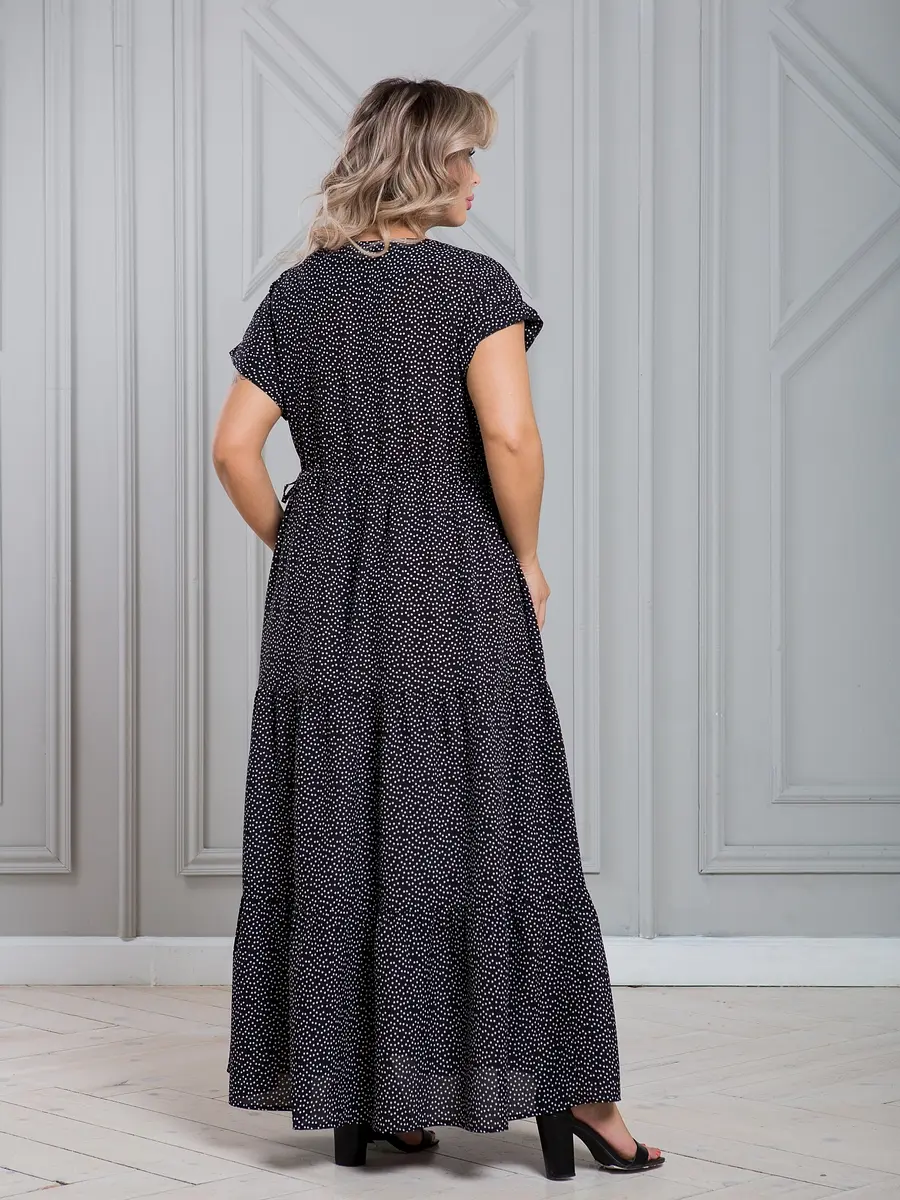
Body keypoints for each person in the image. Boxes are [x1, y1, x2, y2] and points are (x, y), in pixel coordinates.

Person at [212, 76, 664, 1181]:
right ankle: (582, 1098)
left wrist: (301, 542)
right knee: (500, 824)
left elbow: (233, 448)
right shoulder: (471, 286)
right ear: (424, 165)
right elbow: (510, 437)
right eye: (465, 157)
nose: (476, 177)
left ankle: (380, 1093)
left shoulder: (299, 296)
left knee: (346, 829)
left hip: (323, 590)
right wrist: (526, 557)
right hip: (455, 569)